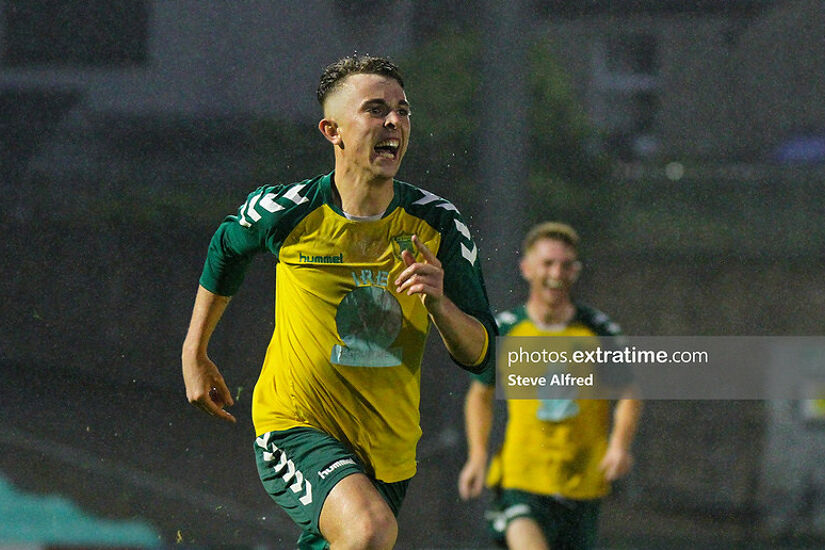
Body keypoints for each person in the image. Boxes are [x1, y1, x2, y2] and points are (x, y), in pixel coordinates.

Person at [181, 55, 496, 549]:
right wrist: (194, 352)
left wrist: (439, 304)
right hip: (293, 427)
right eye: (375, 109)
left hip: (388, 448)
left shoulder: (438, 225)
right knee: (369, 531)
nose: (394, 121)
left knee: (358, 538)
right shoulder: (287, 211)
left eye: (403, 110)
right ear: (333, 130)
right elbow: (226, 248)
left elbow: (482, 352)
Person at [457, 221, 642, 550]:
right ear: (527, 269)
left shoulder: (598, 331)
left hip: (583, 484)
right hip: (520, 480)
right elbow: (480, 394)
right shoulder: (505, 330)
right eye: (548, 263)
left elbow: (629, 394)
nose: (557, 272)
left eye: (566, 264)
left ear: (576, 271)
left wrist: (619, 445)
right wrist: (477, 454)